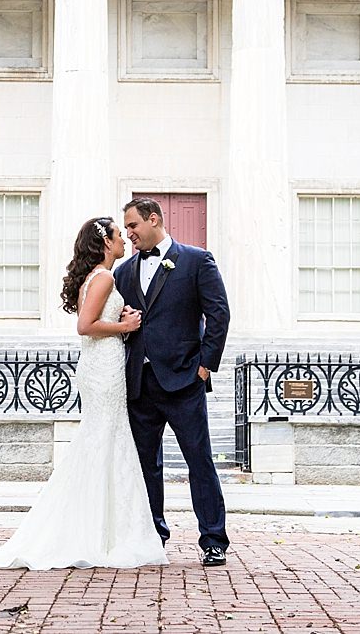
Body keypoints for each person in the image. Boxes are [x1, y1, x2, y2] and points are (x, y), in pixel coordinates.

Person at [0, 216, 167, 570]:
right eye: (119, 235)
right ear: (106, 242)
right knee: (105, 438)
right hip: (103, 367)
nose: (124, 240)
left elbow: (94, 317)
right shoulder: (104, 276)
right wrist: (125, 325)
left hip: (103, 364)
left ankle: (103, 529)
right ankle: (102, 533)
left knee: (106, 439)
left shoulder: (98, 277)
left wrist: (119, 317)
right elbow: (85, 326)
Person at [115, 196, 231, 567]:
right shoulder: (123, 273)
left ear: (153, 220)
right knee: (146, 466)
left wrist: (205, 366)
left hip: (184, 381)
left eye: (133, 226)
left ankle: (213, 540)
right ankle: (153, 536)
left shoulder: (197, 261)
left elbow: (219, 314)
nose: (129, 234)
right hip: (140, 384)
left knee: (200, 463)